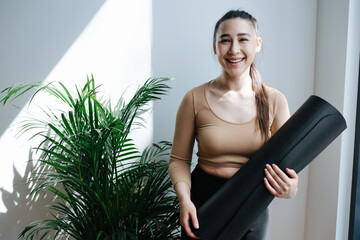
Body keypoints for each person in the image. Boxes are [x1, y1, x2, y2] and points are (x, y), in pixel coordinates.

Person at [168, 9, 299, 240]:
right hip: (201, 204)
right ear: (215, 47)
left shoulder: (275, 100)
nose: (234, 49)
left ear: (257, 44)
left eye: (243, 39)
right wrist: (184, 200)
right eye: (225, 40)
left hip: (252, 204)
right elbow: (179, 160)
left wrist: (290, 187)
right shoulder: (193, 99)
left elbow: (287, 165)